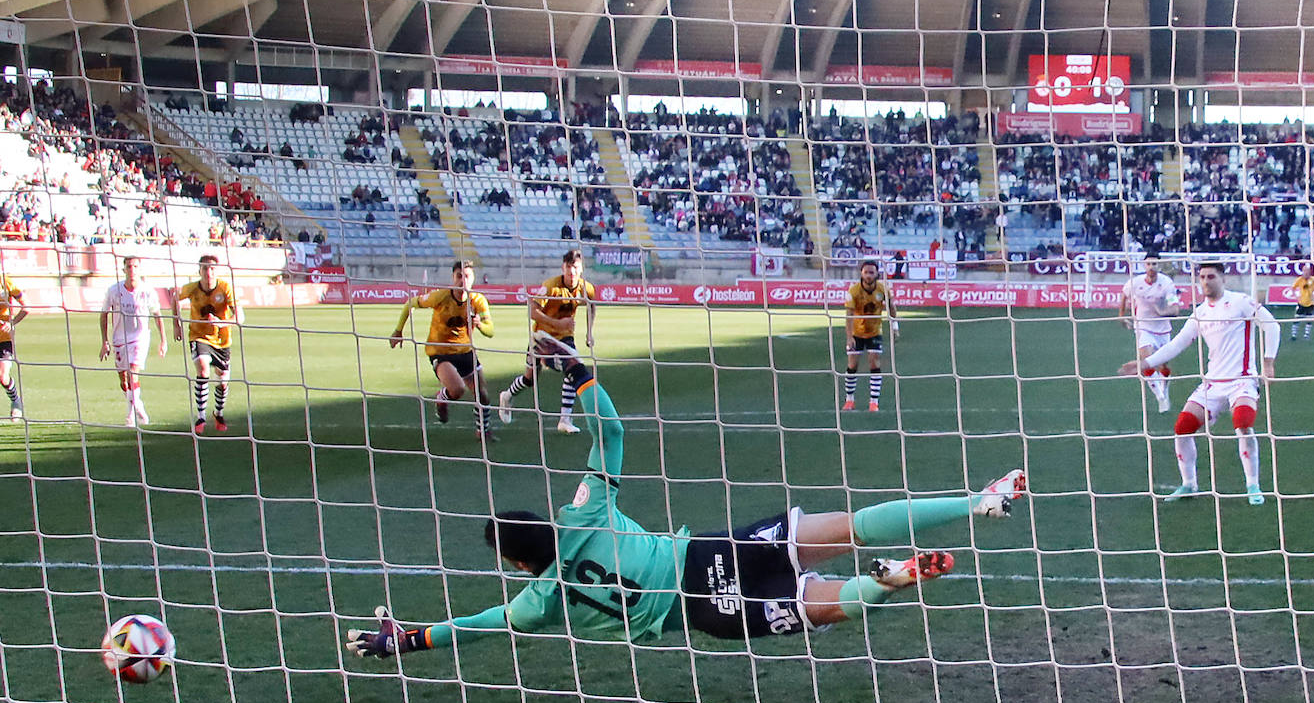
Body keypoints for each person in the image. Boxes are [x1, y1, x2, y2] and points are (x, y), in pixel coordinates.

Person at [346, 344, 1028, 657]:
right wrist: (580, 374)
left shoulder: (537, 600)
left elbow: (481, 622)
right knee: (849, 523)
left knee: (829, 605)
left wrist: (410, 637)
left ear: (523, 566)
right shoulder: (582, 511)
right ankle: (977, 502)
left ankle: (890, 584)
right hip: (711, 552)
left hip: (710, 613)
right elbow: (611, 432)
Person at [1119, 261, 1279, 506]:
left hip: (1242, 380)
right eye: (1202, 277)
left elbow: (1272, 325)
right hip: (1213, 382)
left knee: (1243, 422)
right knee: (1182, 426)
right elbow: (1177, 344)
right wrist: (1143, 364)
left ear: (1223, 279)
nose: (1205, 281)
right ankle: (1189, 484)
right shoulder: (1200, 313)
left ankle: (1252, 485)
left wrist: (1268, 363)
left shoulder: (1241, 302)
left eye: (1211, 276)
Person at [390, 260, 495, 439]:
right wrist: (398, 330)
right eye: (459, 276)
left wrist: (480, 325)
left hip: (465, 352)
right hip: (441, 351)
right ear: (453, 278)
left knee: (483, 395)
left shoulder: (478, 301)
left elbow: (490, 330)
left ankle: (483, 432)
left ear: (473, 279)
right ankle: (442, 398)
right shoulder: (440, 297)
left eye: (467, 276)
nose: (463, 281)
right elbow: (410, 304)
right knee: (457, 390)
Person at [498, 248, 596, 434]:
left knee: (572, 366)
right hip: (542, 339)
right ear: (563, 267)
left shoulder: (585, 287)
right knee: (530, 379)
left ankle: (565, 420)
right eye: (568, 267)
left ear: (581, 268)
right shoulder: (551, 286)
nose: (572, 271)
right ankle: (507, 395)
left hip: (565, 339)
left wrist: (589, 333)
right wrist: (556, 323)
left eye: (575, 267)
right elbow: (533, 311)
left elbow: (592, 306)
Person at [171, 254, 242, 435]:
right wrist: (176, 325)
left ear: (216, 271)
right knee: (203, 369)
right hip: (198, 336)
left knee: (223, 380)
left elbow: (240, 317)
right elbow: (174, 297)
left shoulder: (226, 288)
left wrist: (221, 323)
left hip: (222, 341)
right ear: (199, 270)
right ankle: (200, 417)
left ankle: (218, 414)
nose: (208, 272)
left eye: (212, 268)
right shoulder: (192, 288)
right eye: (204, 268)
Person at [99, 255, 167, 427]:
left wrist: (163, 340)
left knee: (133, 373)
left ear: (139, 269)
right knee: (124, 380)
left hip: (140, 338)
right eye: (129, 267)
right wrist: (104, 342)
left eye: (135, 266)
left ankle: (130, 416)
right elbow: (104, 314)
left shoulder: (147, 291)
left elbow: (157, 315)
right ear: (124, 270)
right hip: (119, 339)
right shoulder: (114, 290)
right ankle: (138, 405)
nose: (132, 270)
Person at [1118, 252, 1181, 413]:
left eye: (1154, 264)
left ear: (1159, 266)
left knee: (1164, 365)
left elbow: (1175, 309)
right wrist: (1121, 316)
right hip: (1143, 327)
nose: (1151, 267)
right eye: (1148, 264)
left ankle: (1164, 388)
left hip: (1163, 329)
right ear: (1144, 265)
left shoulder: (1167, 284)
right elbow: (1124, 295)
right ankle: (1160, 397)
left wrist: (1163, 312)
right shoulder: (1135, 282)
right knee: (1147, 360)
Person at [842, 258, 898, 412]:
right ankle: (850, 400)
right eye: (866, 272)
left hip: (874, 332)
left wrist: (894, 326)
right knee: (852, 365)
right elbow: (849, 315)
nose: (868, 275)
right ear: (861, 273)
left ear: (876, 274)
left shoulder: (883, 289)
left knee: (874, 363)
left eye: (871, 272)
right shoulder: (853, 291)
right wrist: (849, 336)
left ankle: (874, 402)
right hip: (857, 333)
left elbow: (891, 307)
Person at [0, 272, 27, 419]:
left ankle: (16, 401)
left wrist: (12, 323)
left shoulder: (6, 282)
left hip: (3, 338)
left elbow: (26, 307)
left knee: (3, 377)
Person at [1290, 262, 1314, 341]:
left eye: (1307, 271)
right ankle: (1294, 335)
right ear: (1302, 272)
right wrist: (1296, 295)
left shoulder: (1313, 280)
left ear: (1309, 272)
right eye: (1304, 271)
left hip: (1311, 303)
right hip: (1301, 302)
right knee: (1297, 318)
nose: (1306, 273)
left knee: (1309, 320)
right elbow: (1293, 288)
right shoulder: (1299, 280)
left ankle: (1306, 335)